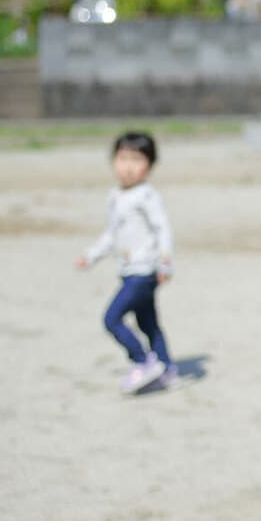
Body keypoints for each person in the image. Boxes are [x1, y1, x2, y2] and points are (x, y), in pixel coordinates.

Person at [74, 130, 176, 394]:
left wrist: (165, 263)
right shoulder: (116, 196)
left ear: (150, 165)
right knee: (148, 323)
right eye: (122, 159)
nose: (128, 167)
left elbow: (163, 229)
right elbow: (111, 234)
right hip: (129, 271)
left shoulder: (147, 196)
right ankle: (167, 369)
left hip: (145, 272)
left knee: (112, 319)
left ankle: (142, 361)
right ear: (113, 161)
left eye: (136, 159)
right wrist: (91, 255)